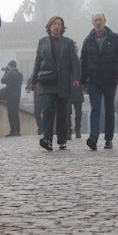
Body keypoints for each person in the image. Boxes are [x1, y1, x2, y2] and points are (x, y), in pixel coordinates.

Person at [26, 16, 81, 151]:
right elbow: (38, 62)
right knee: (48, 110)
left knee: (62, 113)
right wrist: (33, 82)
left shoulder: (68, 43)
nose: (56, 26)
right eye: (54, 24)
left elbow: (74, 61)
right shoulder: (42, 42)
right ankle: (47, 139)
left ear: (62, 27)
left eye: (59, 24)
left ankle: (62, 140)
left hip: (62, 82)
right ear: (49, 26)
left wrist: (75, 77)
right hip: (46, 81)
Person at [80, 13, 118, 151]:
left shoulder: (114, 38)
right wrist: (83, 80)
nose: (98, 22)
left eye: (100, 20)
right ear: (92, 23)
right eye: (95, 20)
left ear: (105, 21)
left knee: (109, 110)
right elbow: (83, 61)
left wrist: (116, 69)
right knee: (95, 109)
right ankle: (93, 138)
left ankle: (108, 139)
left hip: (110, 80)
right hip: (94, 81)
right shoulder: (88, 40)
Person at [0, 60, 24, 136]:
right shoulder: (20, 74)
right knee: (16, 114)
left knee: (11, 114)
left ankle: (13, 131)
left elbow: (2, 81)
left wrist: (6, 72)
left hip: (10, 96)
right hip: (17, 96)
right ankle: (18, 131)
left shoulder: (10, 74)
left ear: (10, 66)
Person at [69, 72, 85, 139]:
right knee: (68, 112)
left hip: (76, 87)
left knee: (77, 112)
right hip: (70, 88)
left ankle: (76, 129)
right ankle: (70, 130)